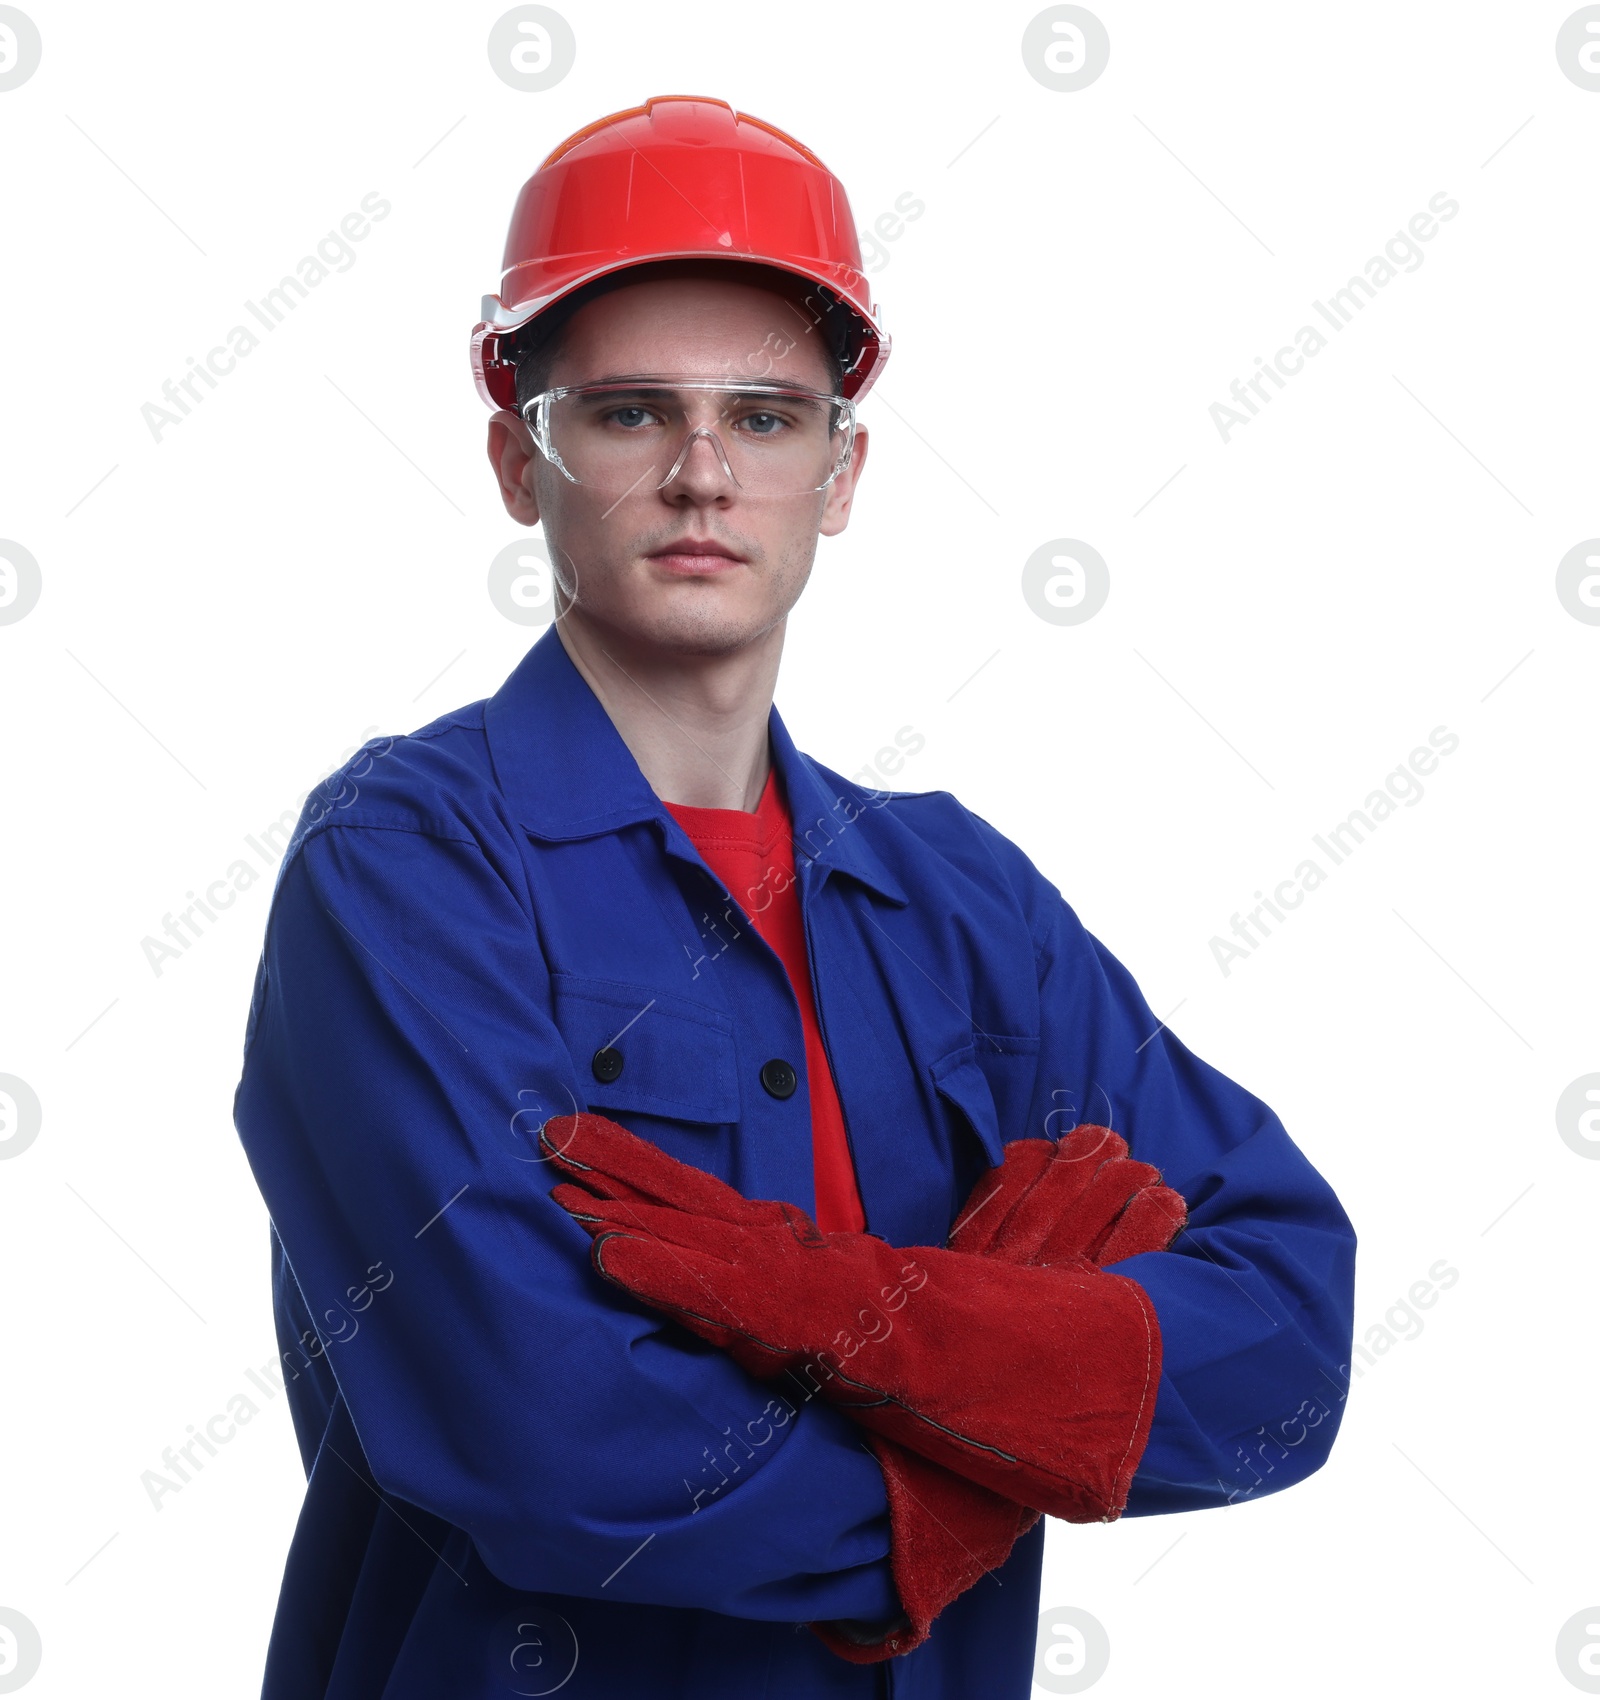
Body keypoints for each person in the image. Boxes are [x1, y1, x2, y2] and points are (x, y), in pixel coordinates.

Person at [232, 95, 1357, 1700]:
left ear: (839, 472)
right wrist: (994, 1433)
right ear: (515, 461)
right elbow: (544, 1435)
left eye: (764, 419)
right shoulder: (404, 868)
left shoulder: (962, 902)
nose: (702, 475)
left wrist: (865, 1322)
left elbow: (1286, 1335)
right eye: (628, 414)